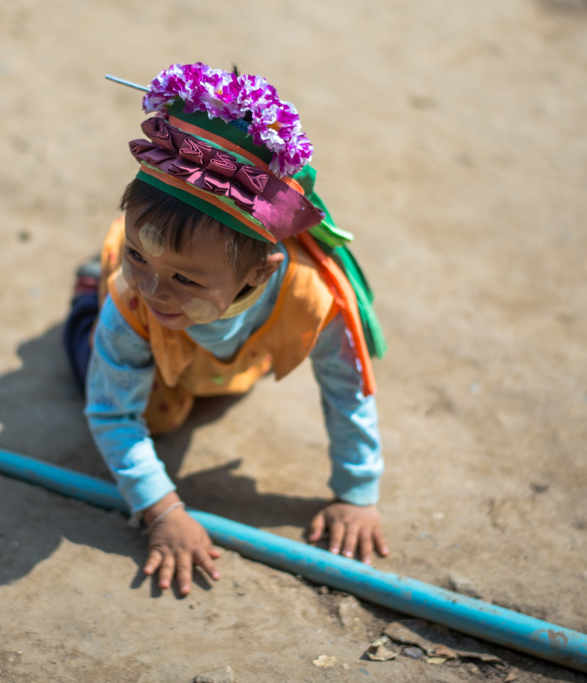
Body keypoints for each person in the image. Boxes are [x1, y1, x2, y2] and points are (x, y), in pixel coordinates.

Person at [63, 63, 389, 597]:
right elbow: (111, 410)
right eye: (137, 256)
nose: (153, 288)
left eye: (185, 278)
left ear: (262, 272)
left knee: (207, 391)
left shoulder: (314, 300)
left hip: (222, 359)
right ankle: (85, 294)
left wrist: (358, 496)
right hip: (138, 332)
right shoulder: (133, 297)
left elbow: (349, 392)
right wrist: (162, 510)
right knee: (153, 411)